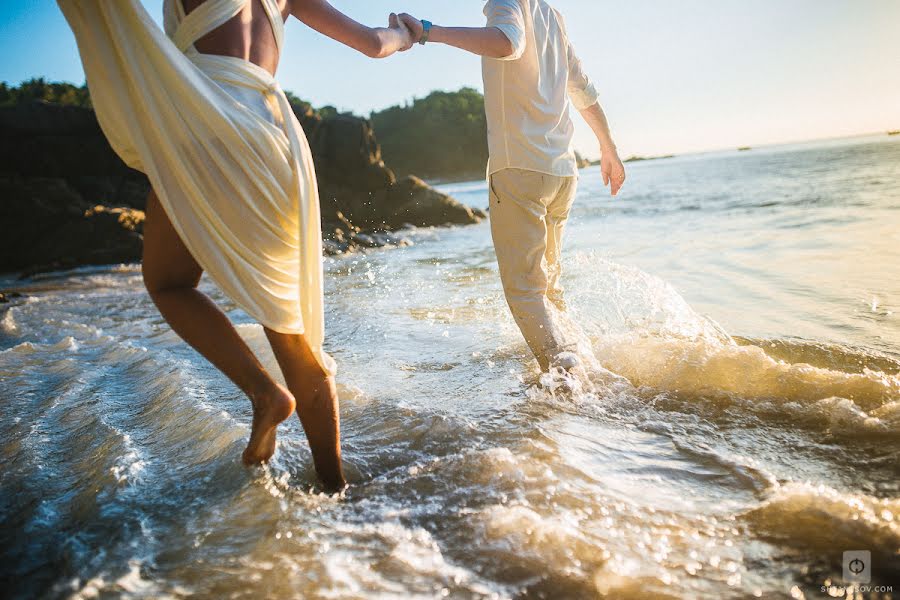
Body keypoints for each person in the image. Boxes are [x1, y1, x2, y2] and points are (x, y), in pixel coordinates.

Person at [58, 0, 416, 492]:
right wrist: (406, 33)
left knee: (168, 284)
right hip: (272, 142)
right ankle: (334, 487)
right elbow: (375, 45)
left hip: (202, 131)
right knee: (289, 326)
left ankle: (264, 393)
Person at [399, 3, 626, 372]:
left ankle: (567, 377)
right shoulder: (552, 16)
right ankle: (580, 363)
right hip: (562, 172)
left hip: (519, 167)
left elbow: (507, 43)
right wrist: (608, 148)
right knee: (548, 286)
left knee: (525, 290)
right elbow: (583, 89)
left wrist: (429, 31)